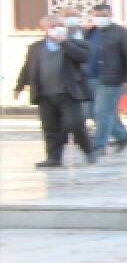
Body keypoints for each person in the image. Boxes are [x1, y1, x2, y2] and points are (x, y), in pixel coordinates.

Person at [13, 15, 96, 167]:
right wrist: (19, 87)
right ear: (44, 29)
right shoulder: (36, 47)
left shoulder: (77, 44)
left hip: (68, 93)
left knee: (75, 123)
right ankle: (53, 158)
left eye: (59, 25)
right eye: (52, 26)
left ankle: (88, 150)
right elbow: (27, 68)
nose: (56, 28)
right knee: (50, 127)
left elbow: (84, 57)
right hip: (45, 94)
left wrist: (64, 43)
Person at [84, 3, 127, 153]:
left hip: (110, 79)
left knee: (102, 112)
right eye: (97, 15)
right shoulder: (90, 32)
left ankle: (99, 146)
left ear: (110, 15)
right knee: (90, 112)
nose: (100, 18)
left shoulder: (121, 33)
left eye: (104, 15)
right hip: (90, 78)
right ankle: (123, 136)